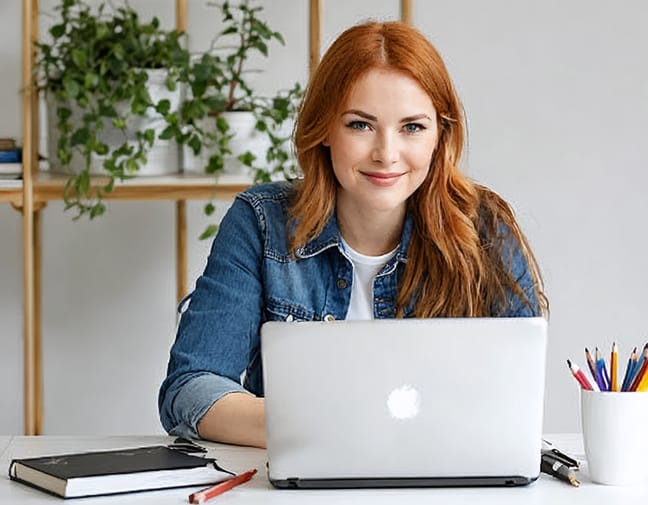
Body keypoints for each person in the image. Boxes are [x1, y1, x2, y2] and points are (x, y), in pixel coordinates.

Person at [159, 21, 548, 448]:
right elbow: (191, 388)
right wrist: (324, 429)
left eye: (412, 127)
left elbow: (513, 400)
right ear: (325, 128)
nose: (386, 154)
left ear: (441, 135)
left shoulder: (486, 229)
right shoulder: (261, 222)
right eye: (360, 125)